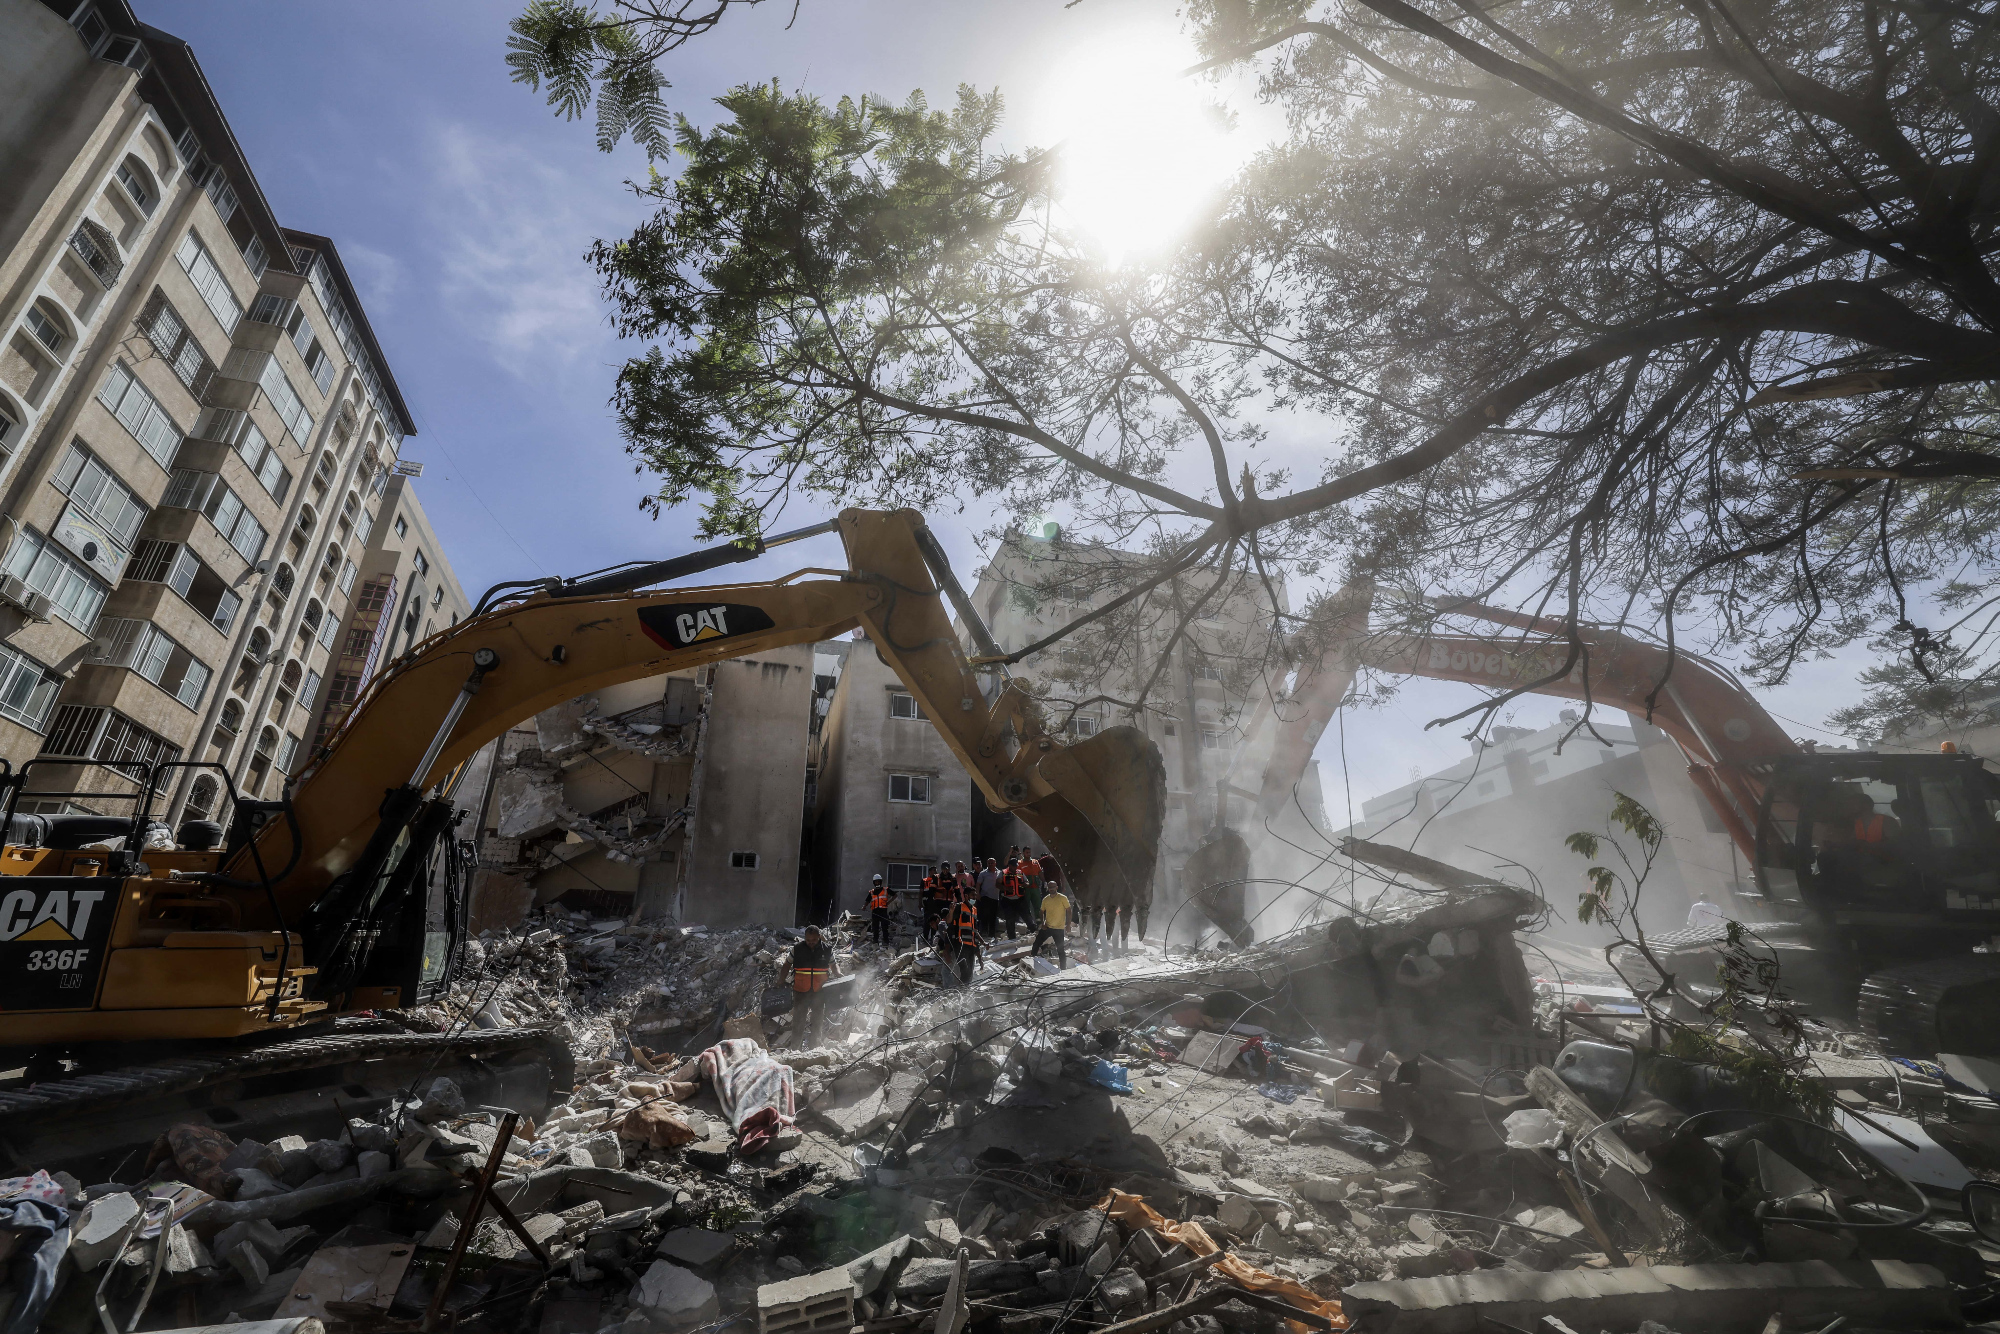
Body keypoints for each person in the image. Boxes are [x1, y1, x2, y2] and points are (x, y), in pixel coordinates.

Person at [787, 925, 838, 1046]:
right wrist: (780, 980)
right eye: (808, 940)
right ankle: (795, 1049)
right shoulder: (797, 949)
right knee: (798, 1021)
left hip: (819, 991)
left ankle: (814, 1048)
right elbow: (786, 964)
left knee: (817, 1021)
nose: (810, 943)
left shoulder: (827, 949)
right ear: (804, 938)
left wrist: (838, 973)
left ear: (819, 937)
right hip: (800, 991)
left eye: (814, 940)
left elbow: (834, 964)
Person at [949, 885, 982, 986]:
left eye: (975, 895)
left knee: (970, 972)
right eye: (972, 895)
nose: (974, 897)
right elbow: (948, 921)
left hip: (971, 945)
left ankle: (965, 990)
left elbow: (975, 930)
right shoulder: (959, 907)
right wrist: (951, 911)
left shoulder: (974, 910)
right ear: (966, 896)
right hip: (961, 944)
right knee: (964, 970)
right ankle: (963, 992)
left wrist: (983, 943)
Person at [1034, 879, 1071, 969]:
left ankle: (1063, 969)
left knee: (1060, 950)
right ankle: (1033, 961)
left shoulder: (1063, 898)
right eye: (1050, 887)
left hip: (1059, 929)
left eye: (1053, 887)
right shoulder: (1046, 899)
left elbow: (1069, 911)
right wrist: (1042, 923)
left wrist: (1068, 925)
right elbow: (1041, 911)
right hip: (1048, 927)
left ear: (1057, 887)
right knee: (1036, 944)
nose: (1051, 889)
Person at [998, 857, 1027, 939]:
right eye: (1014, 866)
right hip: (1008, 900)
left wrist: (1025, 884)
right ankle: (1011, 937)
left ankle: (1033, 932)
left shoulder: (1020, 872)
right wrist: (1006, 888)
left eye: (1016, 866)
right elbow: (997, 884)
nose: (1015, 867)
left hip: (1019, 899)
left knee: (1026, 916)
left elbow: (1026, 881)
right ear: (1009, 865)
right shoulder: (1003, 873)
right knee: (1010, 919)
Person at [976, 857, 1002, 936]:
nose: (990, 864)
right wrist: (977, 894)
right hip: (985, 897)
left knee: (993, 917)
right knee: (984, 916)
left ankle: (991, 935)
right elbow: (978, 884)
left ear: (995, 863)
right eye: (989, 863)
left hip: (995, 898)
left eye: (992, 863)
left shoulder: (1000, 872)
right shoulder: (983, 873)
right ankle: (983, 934)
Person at [867, 874, 892, 945]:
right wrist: (864, 906)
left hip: (883, 911)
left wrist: (889, 902)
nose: (877, 883)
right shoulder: (872, 892)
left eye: (878, 882)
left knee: (885, 927)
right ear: (874, 883)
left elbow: (895, 895)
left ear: (880, 882)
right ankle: (875, 941)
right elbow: (867, 900)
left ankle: (886, 941)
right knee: (875, 928)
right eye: (876, 882)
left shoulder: (886, 890)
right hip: (875, 912)